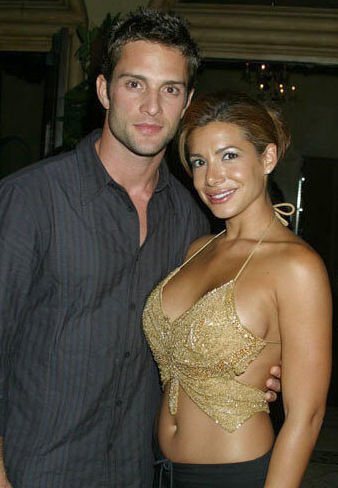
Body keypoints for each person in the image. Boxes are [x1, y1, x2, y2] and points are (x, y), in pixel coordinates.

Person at [0, 9, 281, 488]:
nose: (152, 106)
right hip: (37, 470)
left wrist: (249, 368)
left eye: (169, 89)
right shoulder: (31, 199)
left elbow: (203, 331)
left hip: (139, 470)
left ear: (186, 102)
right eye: (135, 85)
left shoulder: (193, 220)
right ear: (105, 90)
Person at [143, 91, 332, 487]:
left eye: (229, 156)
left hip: (236, 474)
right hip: (161, 472)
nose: (211, 178)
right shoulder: (198, 248)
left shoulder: (297, 267)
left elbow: (307, 414)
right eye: (199, 161)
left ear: (267, 158)